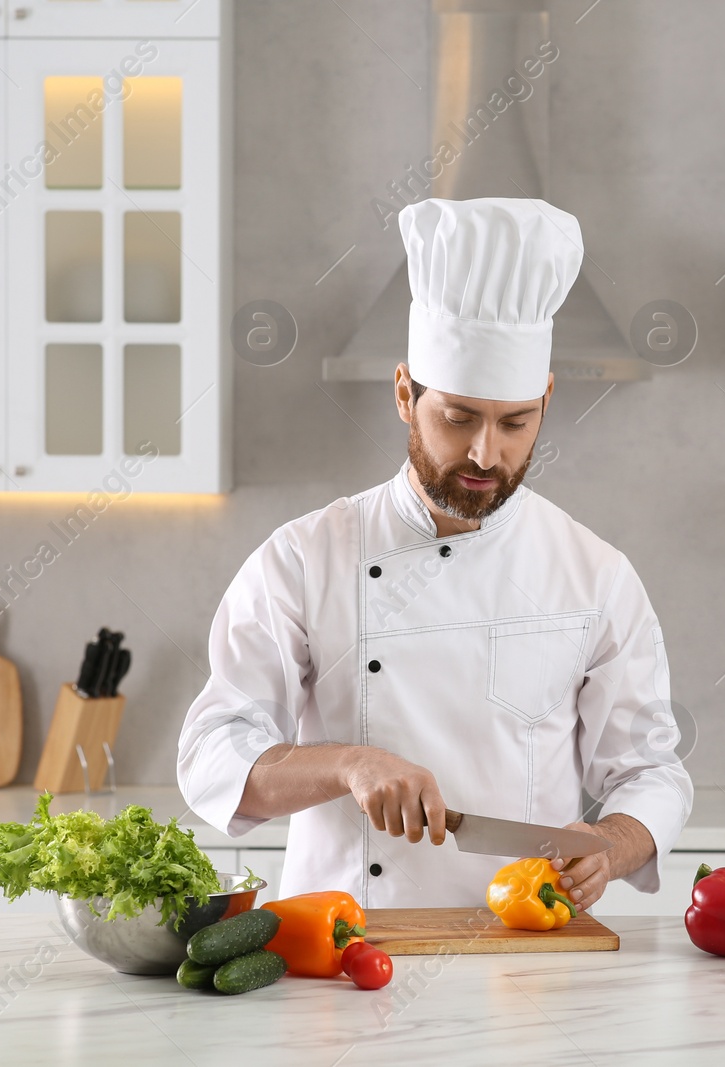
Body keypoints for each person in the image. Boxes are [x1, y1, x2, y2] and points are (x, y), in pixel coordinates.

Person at [179, 197, 693, 910]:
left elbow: (649, 771)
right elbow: (212, 753)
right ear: (403, 394)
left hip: (520, 957)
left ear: (545, 398)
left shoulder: (596, 574)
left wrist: (612, 845)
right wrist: (348, 764)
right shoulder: (303, 558)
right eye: (457, 417)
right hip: (338, 953)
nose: (487, 452)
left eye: (515, 422)